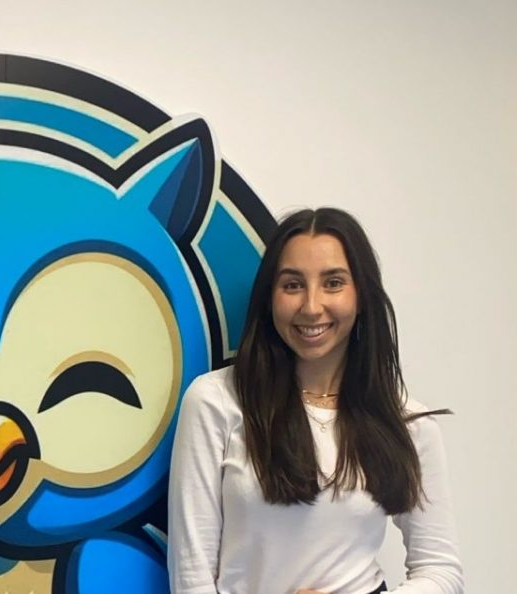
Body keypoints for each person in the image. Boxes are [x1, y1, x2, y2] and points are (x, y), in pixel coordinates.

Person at [167, 208, 463, 594]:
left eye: (333, 283)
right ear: (269, 297)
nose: (311, 306)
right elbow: (191, 578)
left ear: (361, 295)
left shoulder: (407, 422)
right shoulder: (215, 402)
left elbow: (441, 572)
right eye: (292, 285)